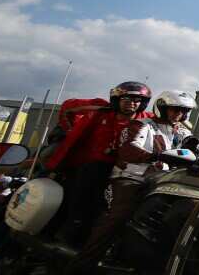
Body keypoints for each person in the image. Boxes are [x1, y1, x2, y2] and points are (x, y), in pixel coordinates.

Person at [62, 90, 196, 275]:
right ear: (162, 107)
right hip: (133, 178)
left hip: (166, 182)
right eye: (175, 109)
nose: (179, 114)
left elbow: (198, 151)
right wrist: (154, 156)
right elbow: (129, 148)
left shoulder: (184, 133)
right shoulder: (142, 125)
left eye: (183, 111)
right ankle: (78, 271)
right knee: (118, 217)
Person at [44, 82, 150, 249]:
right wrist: (75, 126)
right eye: (126, 99)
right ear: (116, 99)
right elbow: (67, 109)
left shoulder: (146, 120)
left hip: (124, 173)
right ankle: (67, 236)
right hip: (88, 168)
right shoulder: (101, 112)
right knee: (74, 199)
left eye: (137, 100)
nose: (132, 103)